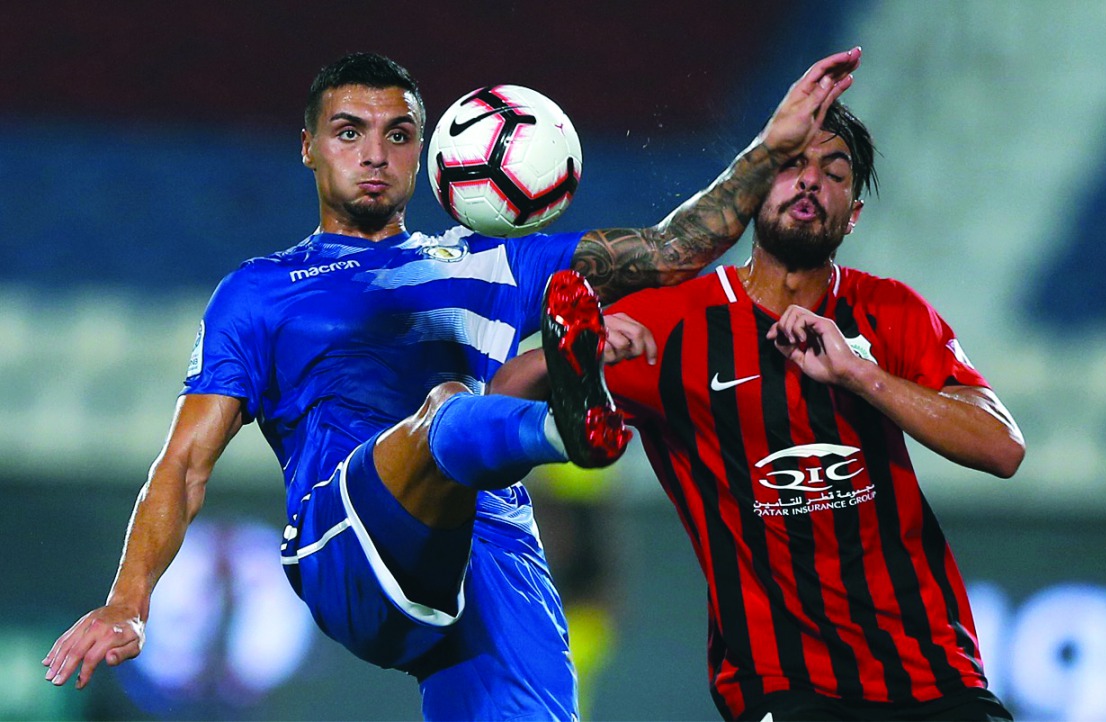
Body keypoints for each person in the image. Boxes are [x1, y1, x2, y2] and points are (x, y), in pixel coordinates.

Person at [41, 49, 863, 721]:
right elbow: (184, 464)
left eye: (397, 135)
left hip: (493, 553)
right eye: (349, 132)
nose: (374, 154)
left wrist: (770, 147)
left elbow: (674, 249)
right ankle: (562, 426)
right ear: (308, 145)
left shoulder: (490, 261)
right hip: (349, 540)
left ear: (428, 151)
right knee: (445, 411)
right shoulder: (259, 293)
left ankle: (554, 400)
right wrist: (130, 601)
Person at [493, 99, 1026, 720]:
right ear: (751, 191)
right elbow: (501, 395)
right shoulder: (675, 323)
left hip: (936, 675)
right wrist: (576, 354)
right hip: (782, 685)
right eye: (793, 163)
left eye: (835, 172)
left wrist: (859, 374)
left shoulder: (893, 312)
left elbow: (1002, 447)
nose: (811, 181)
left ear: (851, 215)